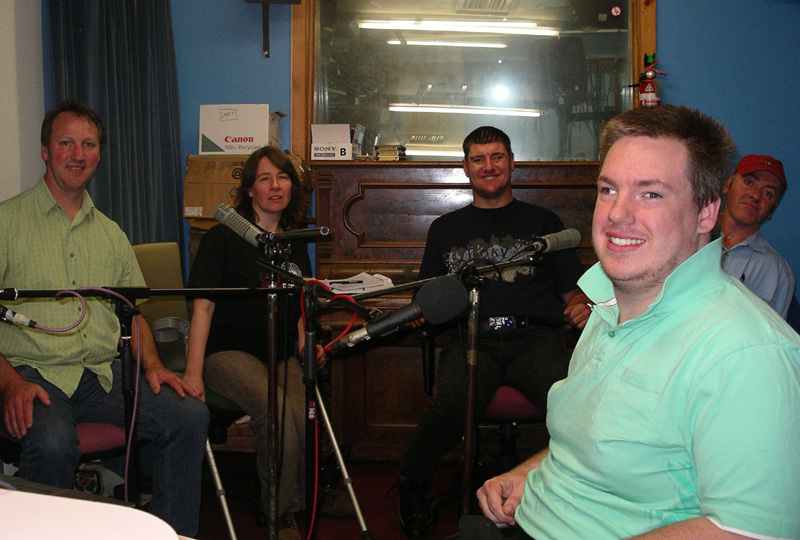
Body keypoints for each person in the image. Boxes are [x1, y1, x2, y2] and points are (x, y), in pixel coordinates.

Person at [477, 105, 800, 539]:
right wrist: (531, 473)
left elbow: (750, 531)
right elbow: (595, 448)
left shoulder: (748, 352)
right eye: (608, 189)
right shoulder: (608, 306)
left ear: (706, 213)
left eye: (650, 194)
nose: (617, 213)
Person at [0, 100, 208, 536]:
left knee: (188, 416)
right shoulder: (0, 224)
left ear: (99, 154)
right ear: (45, 151)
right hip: (24, 373)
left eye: (88, 145)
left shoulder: (111, 234)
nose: (78, 154)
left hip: (99, 375)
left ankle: (171, 533)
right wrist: (9, 383)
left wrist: (153, 365)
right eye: (66, 143)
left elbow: (132, 313)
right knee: (53, 442)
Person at [398, 126, 591, 538]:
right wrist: (419, 313)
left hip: (533, 340)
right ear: (466, 167)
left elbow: (574, 292)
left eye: (497, 156)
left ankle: (580, 495)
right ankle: (410, 487)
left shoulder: (545, 223)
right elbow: (427, 295)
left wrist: (581, 307)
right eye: (479, 159)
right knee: (449, 407)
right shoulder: (445, 228)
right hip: (471, 340)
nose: (489, 166)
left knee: (577, 406)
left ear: (512, 163)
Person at [186, 146, 352, 540]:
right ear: (249, 190)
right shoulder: (221, 239)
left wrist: (305, 343)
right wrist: (192, 373)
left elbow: (299, 303)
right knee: (275, 412)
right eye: (265, 179)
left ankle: (307, 493)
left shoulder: (292, 244)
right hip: (229, 353)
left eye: (282, 178)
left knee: (302, 411)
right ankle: (279, 512)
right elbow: (202, 307)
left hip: (279, 352)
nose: (275, 186)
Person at [719, 154, 794, 318]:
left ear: (772, 210)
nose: (755, 195)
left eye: (768, 193)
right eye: (748, 182)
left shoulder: (777, 273)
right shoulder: (685, 239)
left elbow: (771, 332)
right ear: (727, 185)